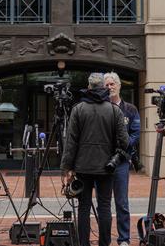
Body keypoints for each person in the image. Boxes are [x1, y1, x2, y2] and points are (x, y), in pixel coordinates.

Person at [61, 72, 129, 246]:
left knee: (84, 207)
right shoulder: (114, 110)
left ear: (89, 87)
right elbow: (124, 141)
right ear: (103, 88)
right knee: (104, 207)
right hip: (106, 167)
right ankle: (104, 243)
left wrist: (67, 168)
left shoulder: (78, 109)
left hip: (83, 167)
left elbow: (71, 142)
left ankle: (83, 243)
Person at [103, 72, 140, 246]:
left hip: (122, 162)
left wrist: (123, 146)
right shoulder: (101, 107)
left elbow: (135, 133)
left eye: (112, 84)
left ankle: (124, 239)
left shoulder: (130, 109)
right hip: (103, 161)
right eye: (107, 85)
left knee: (122, 203)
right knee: (103, 203)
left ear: (119, 86)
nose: (110, 87)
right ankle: (104, 239)